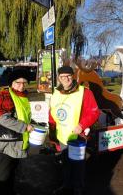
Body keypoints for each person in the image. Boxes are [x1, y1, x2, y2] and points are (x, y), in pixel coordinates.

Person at [48, 66, 100, 195]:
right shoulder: (56, 93)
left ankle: (78, 188)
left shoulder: (85, 92)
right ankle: (66, 186)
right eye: (62, 76)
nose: (66, 79)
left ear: (73, 76)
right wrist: (52, 133)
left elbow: (94, 112)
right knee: (65, 162)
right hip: (62, 135)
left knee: (78, 164)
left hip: (78, 136)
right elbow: (52, 113)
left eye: (68, 76)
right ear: (59, 78)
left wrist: (82, 125)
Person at [0, 68, 34, 195]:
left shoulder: (22, 96)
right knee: (3, 177)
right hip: (7, 141)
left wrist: (33, 123)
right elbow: (3, 118)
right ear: (11, 83)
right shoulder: (6, 94)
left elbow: (22, 115)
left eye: (24, 83)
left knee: (11, 172)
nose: (21, 86)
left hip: (17, 140)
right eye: (18, 82)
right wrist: (25, 127)